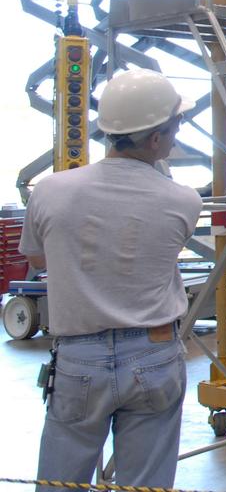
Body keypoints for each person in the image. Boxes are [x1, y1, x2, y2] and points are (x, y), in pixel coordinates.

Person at [19, 69, 201, 489]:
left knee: (61, 482)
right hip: (153, 355)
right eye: (173, 127)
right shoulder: (182, 200)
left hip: (78, 356)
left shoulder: (49, 190)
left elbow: (36, 256)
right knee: (145, 484)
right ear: (155, 139)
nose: (175, 136)